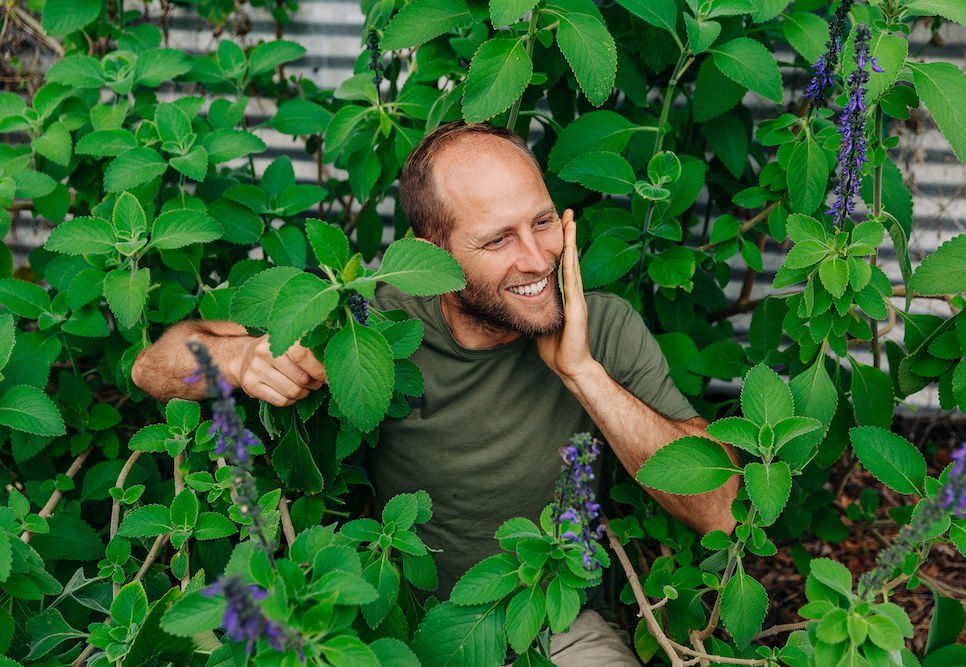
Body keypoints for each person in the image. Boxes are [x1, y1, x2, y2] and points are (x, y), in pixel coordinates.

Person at [132, 122, 739, 666]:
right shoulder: (371, 321)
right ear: (434, 252)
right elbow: (154, 366)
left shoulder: (600, 325)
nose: (537, 258)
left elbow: (720, 510)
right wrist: (239, 360)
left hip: (556, 623)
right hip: (406, 631)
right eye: (498, 240)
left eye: (544, 221)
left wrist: (584, 373)